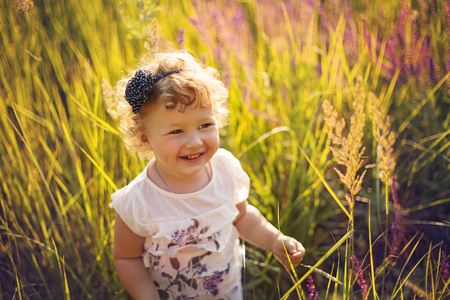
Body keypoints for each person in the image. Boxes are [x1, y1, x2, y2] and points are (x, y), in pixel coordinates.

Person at [107, 51, 305, 299]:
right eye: (176, 131)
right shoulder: (138, 202)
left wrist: (275, 240)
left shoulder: (224, 170)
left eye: (205, 125)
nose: (195, 141)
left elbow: (242, 217)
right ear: (145, 139)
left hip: (227, 290)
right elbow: (127, 257)